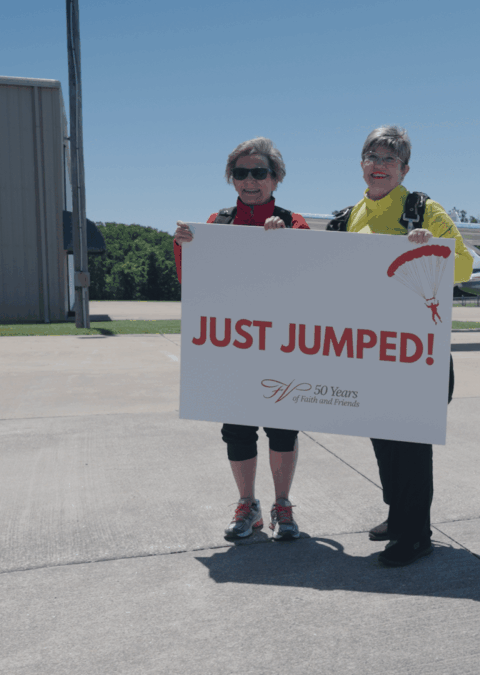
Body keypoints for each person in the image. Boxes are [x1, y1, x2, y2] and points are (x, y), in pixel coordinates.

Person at [332, 125, 473, 566]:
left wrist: (434, 248)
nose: (379, 166)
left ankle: (415, 534)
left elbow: (465, 266)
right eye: (372, 158)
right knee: (382, 436)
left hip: (415, 353)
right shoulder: (347, 217)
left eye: (389, 160)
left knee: (409, 442)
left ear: (405, 169)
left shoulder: (423, 210)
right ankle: (398, 516)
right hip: (369, 347)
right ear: (361, 166)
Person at [173, 137, 310, 542]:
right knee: (237, 429)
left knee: (283, 428)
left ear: (276, 178)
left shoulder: (294, 221)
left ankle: (282, 504)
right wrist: (183, 247)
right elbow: (191, 283)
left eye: (259, 173)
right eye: (241, 173)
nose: (250, 181)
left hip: (283, 344)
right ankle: (247, 504)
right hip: (233, 345)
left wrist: (288, 238)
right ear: (232, 179)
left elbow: (313, 281)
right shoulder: (217, 223)